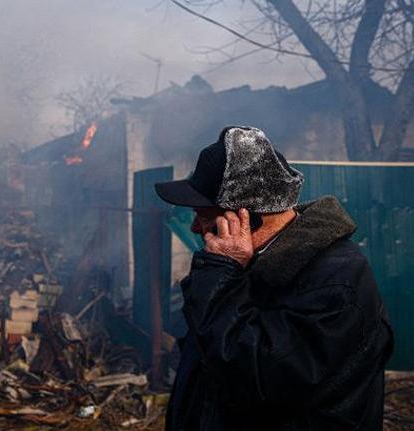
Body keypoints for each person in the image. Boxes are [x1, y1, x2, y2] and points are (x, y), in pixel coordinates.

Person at [155, 126, 394, 431]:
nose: (195, 228)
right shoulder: (247, 265)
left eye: (202, 214)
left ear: (244, 218)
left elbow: (252, 377)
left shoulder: (336, 283)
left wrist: (218, 278)